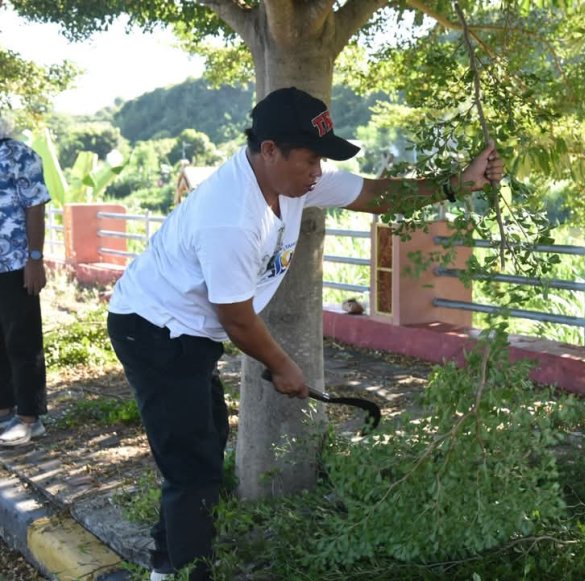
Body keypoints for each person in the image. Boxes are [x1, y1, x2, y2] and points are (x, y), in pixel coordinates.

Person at [106, 86, 505, 581]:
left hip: (189, 331)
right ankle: (184, 573)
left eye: (321, 160)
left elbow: (375, 196)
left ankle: (167, 565)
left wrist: (454, 185)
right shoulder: (231, 217)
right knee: (193, 468)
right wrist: (283, 365)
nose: (317, 172)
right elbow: (238, 318)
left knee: (203, 446)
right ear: (269, 149)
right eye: (310, 159)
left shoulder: (295, 180)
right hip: (153, 330)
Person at [0, 118, 50, 447]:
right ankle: (6, 410)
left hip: (17, 264)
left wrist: (35, 259)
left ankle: (30, 419)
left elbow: (35, 208)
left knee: (22, 342)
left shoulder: (21, 156)